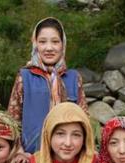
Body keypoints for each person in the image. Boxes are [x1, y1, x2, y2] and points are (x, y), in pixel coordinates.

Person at [8, 17, 88, 154]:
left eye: (55, 42)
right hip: (32, 156)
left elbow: (84, 120)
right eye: (42, 42)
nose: (49, 48)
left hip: (67, 156)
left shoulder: (74, 78)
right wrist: (18, 150)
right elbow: (12, 120)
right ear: (35, 44)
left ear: (63, 45)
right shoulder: (25, 76)